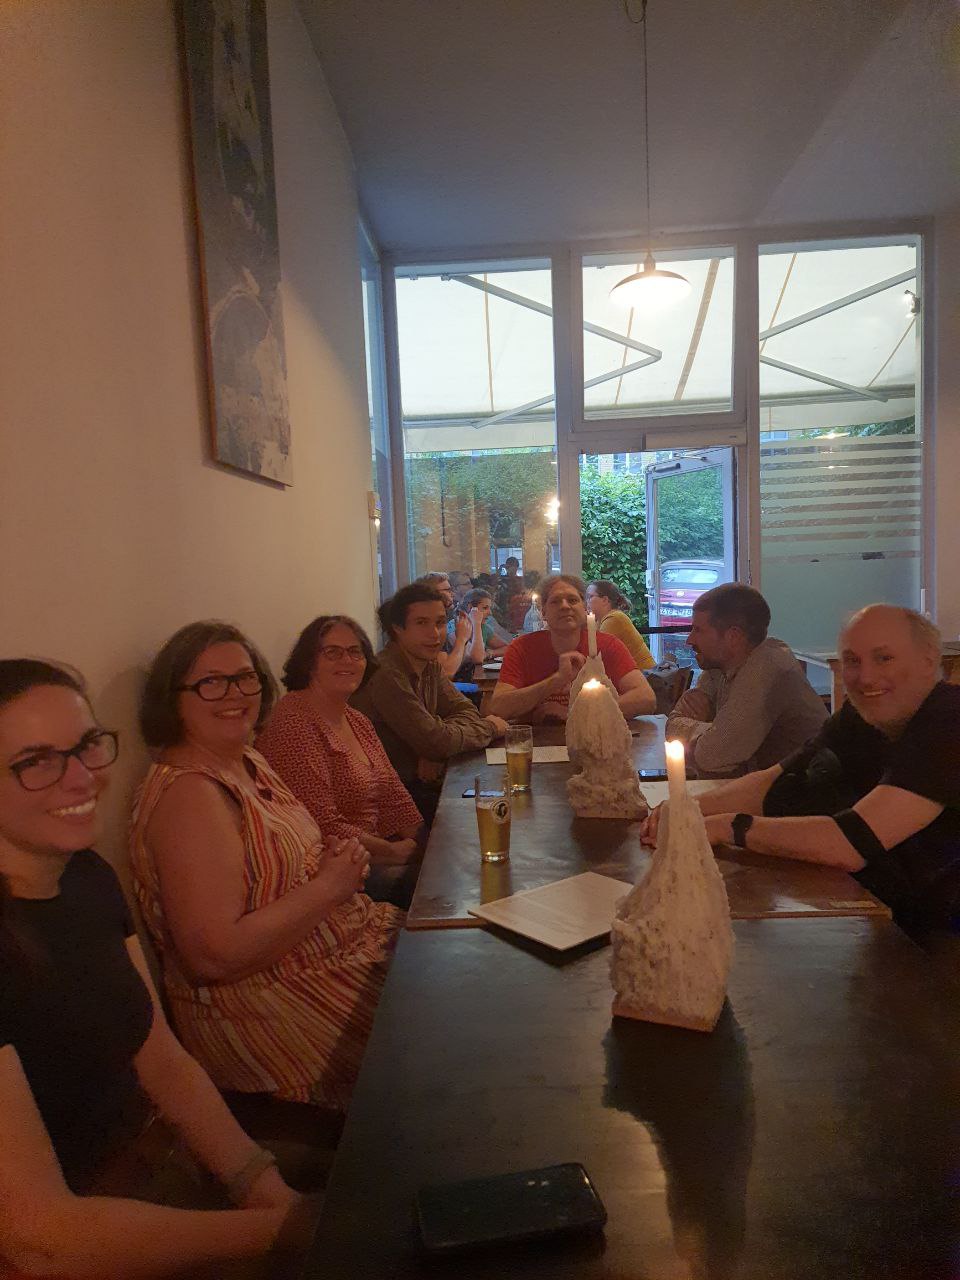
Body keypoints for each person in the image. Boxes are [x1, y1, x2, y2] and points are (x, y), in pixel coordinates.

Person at [0, 659, 307, 1278]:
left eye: (87, 745)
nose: (82, 777)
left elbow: (159, 1055)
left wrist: (256, 1182)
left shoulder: (84, 876)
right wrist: (290, 1229)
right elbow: (40, 1238)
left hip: (156, 1163)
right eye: (35, 761)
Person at [130, 622, 403, 1114]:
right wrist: (329, 888)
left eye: (245, 678)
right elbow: (213, 957)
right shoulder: (191, 794)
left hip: (345, 947)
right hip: (270, 1005)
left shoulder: (246, 758)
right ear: (170, 698)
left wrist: (338, 867)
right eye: (209, 683)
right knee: (454, 1040)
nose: (233, 694)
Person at [643, 605, 960, 929]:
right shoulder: (863, 715)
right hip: (887, 917)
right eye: (852, 660)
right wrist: (685, 809)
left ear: (928, 660)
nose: (865, 677)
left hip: (942, 944)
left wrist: (728, 827)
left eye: (884, 658)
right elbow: (773, 780)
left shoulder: (950, 722)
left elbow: (850, 843)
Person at [256, 616, 424, 907]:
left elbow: (393, 797)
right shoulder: (293, 722)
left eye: (355, 652)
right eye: (332, 652)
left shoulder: (356, 719)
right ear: (309, 662)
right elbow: (320, 823)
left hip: (375, 855)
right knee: (443, 891)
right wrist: (392, 852)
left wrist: (426, 843)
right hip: (333, 871)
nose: (346, 660)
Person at [351, 583, 510, 822]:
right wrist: (490, 727)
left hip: (423, 785)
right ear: (397, 629)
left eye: (438, 623)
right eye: (421, 623)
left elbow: (464, 710)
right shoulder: (386, 674)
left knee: (504, 802)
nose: (435, 634)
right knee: (495, 812)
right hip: (389, 802)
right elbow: (437, 741)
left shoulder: (429, 665)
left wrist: (434, 747)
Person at [665, 582, 827, 776]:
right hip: (768, 790)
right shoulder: (719, 666)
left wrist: (709, 732)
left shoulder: (766, 668)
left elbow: (710, 756)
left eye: (698, 630)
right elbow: (672, 726)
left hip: (811, 797)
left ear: (733, 636)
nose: (689, 640)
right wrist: (711, 731)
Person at [490, 573, 656, 723]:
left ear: (584, 609)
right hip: (538, 746)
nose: (565, 606)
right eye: (555, 601)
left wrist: (575, 713)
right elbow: (499, 707)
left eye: (572, 600)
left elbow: (646, 698)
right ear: (543, 612)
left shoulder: (607, 645)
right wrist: (558, 679)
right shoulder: (521, 648)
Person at [586, 579, 656, 670]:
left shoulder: (614, 619)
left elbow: (597, 655)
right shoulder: (599, 620)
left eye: (590, 597)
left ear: (605, 600)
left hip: (644, 677)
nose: (586, 601)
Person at [417, 571, 474, 679]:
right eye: (447, 590)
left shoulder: (449, 618)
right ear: (432, 594)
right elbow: (447, 672)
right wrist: (461, 639)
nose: (452, 594)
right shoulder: (430, 628)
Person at [446, 588, 508, 680]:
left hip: (473, 677)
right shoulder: (456, 626)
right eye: (485, 608)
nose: (490, 613)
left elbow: (507, 648)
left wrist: (489, 653)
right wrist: (476, 623)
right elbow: (477, 658)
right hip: (456, 680)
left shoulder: (484, 627)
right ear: (471, 607)